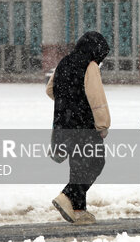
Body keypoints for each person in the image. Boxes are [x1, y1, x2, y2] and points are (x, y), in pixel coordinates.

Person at [45, 31, 111, 225]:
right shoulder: (89, 66)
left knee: (77, 166)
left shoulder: (64, 62)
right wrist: (102, 125)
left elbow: (50, 90)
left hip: (64, 124)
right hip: (84, 126)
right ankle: (67, 195)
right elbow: (96, 99)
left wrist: (67, 102)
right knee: (97, 163)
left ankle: (79, 211)